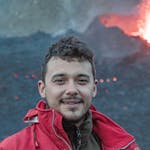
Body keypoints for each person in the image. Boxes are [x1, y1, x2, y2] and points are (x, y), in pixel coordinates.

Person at [0, 36, 140, 150]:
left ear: (94, 88)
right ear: (42, 89)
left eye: (82, 81)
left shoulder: (124, 146)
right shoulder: (13, 147)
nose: (72, 90)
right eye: (60, 81)